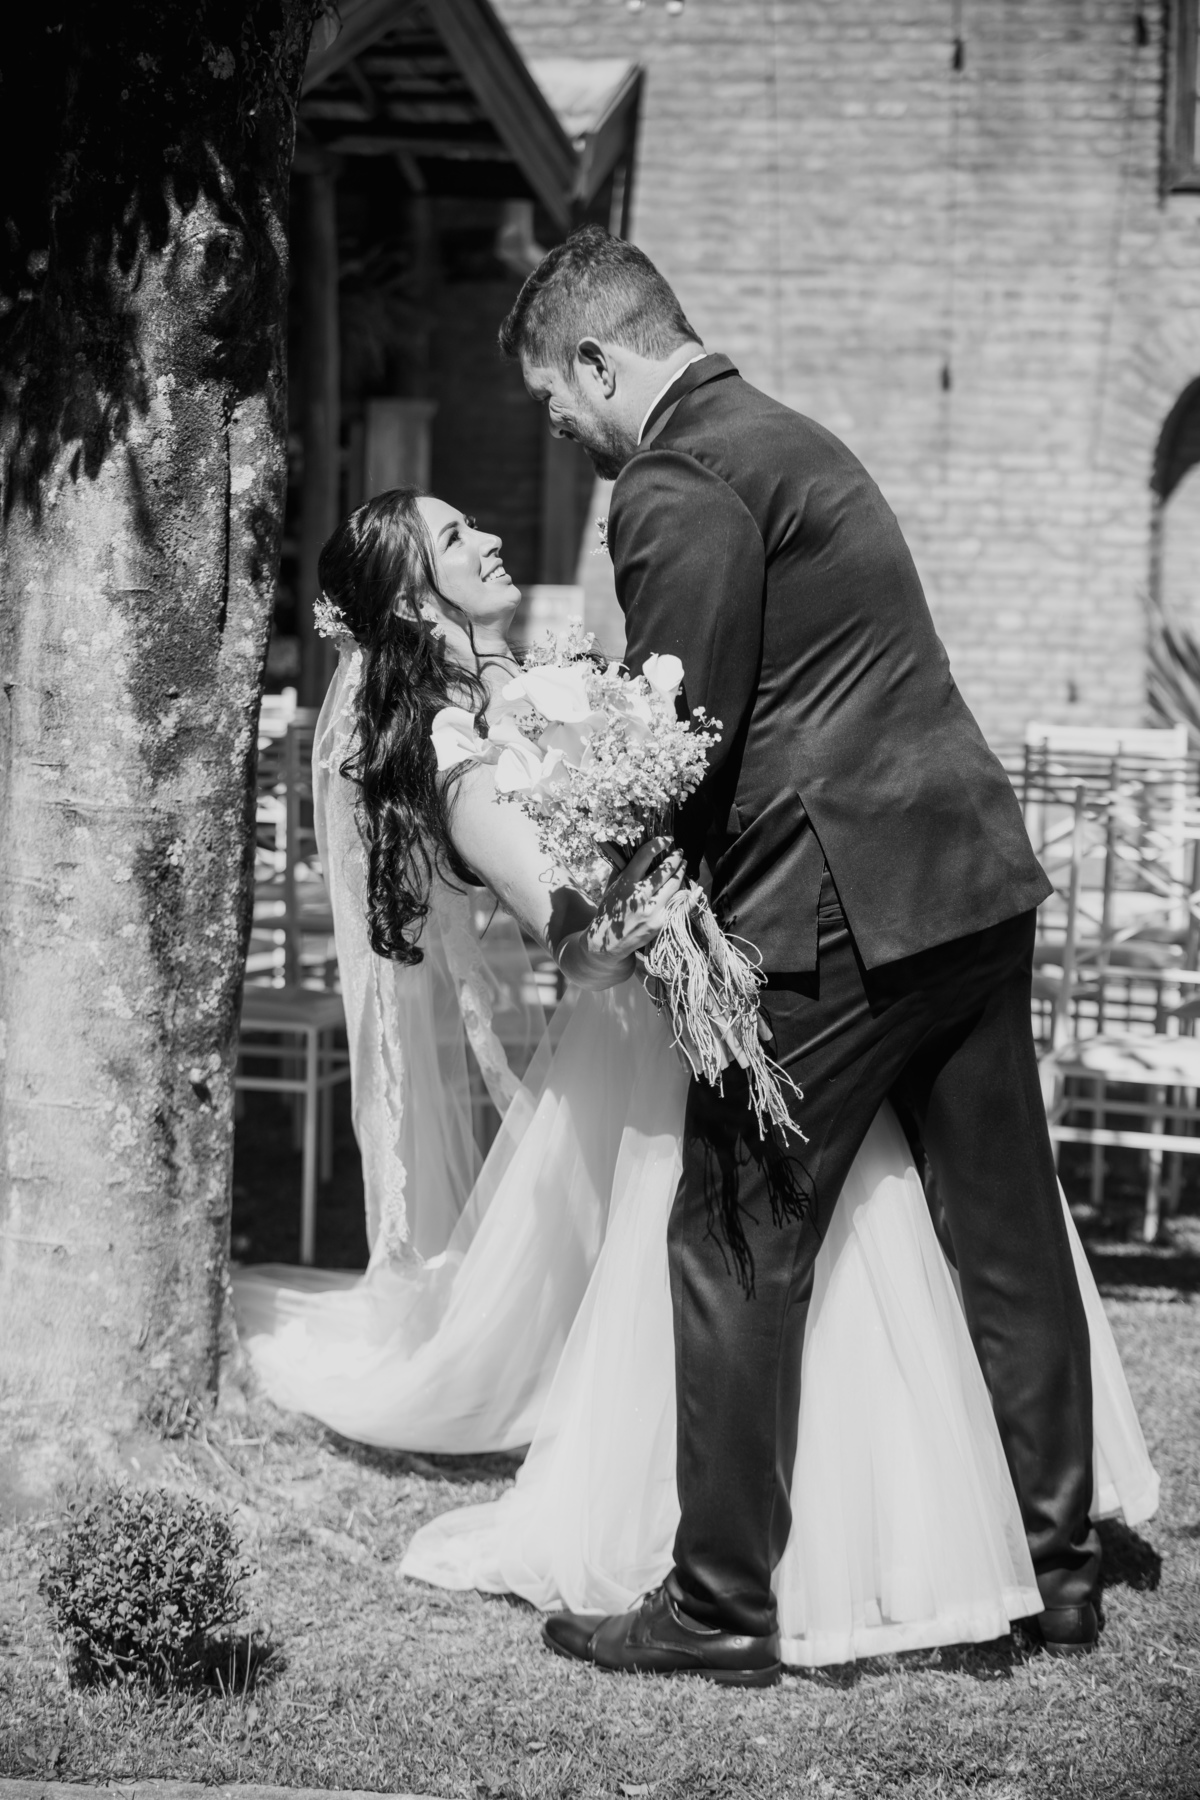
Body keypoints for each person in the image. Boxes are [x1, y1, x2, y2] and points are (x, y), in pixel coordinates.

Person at [233, 487, 1157, 1682]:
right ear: (413, 600)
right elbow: (570, 936)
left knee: (852, 1235)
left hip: (775, 986)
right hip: (667, 1029)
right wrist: (650, 922)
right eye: (456, 539)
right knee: (755, 1259)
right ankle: (840, 1551)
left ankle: (923, 1524)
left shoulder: (553, 679)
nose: (493, 538)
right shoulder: (459, 759)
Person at [497, 225, 1116, 1679]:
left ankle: (717, 1606)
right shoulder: (791, 435)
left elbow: (684, 736)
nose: (559, 426)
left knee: (729, 1235)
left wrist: (604, 875)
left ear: (600, 359)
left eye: (553, 396)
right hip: (964, 876)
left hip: (828, 919)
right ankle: (1059, 1566)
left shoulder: (676, 477)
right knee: (1006, 1231)